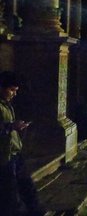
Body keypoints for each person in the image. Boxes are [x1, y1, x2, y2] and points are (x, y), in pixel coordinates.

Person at [0, 71, 44, 216]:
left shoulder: (6, 104)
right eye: (11, 90)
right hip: (4, 156)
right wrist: (11, 126)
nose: (14, 94)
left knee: (27, 186)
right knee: (10, 195)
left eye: (16, 90)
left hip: (14, 152)